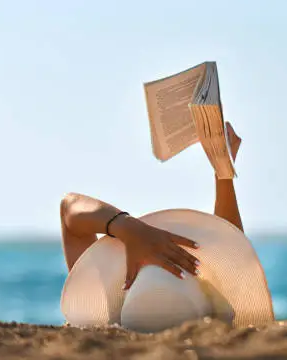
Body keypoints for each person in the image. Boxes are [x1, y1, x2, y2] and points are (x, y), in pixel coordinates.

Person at [59, 122, 243, 290]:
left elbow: (70, 206)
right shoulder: (212, 317)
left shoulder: (102, 309)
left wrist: (130, 229)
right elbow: (232, 251)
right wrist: (223, 173)